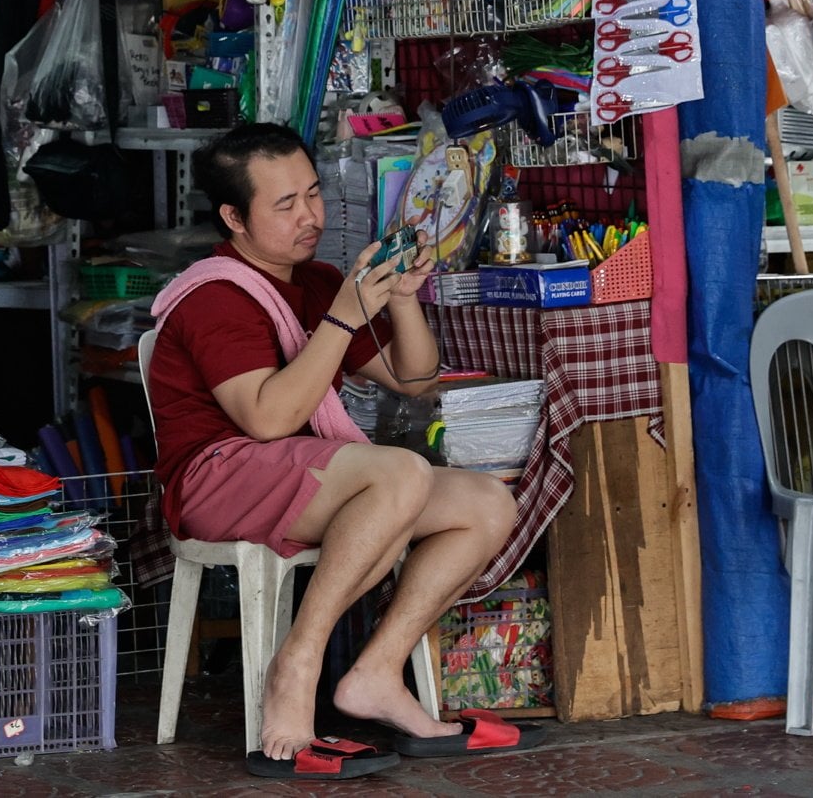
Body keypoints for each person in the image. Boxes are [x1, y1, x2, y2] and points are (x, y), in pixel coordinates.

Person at [147, 121, 534, 780]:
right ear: (234, 218)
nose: (311, 215)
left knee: (486, 503)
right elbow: (267, 418)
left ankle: (378, 670)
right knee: (399, 475)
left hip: (303, 473)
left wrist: (403, 298)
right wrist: (344, 318)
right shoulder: (215, 294)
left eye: (314, 193)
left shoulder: (319, 280)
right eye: (285, 203)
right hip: (217, 477)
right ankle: (295, 666)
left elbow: (415, 379)